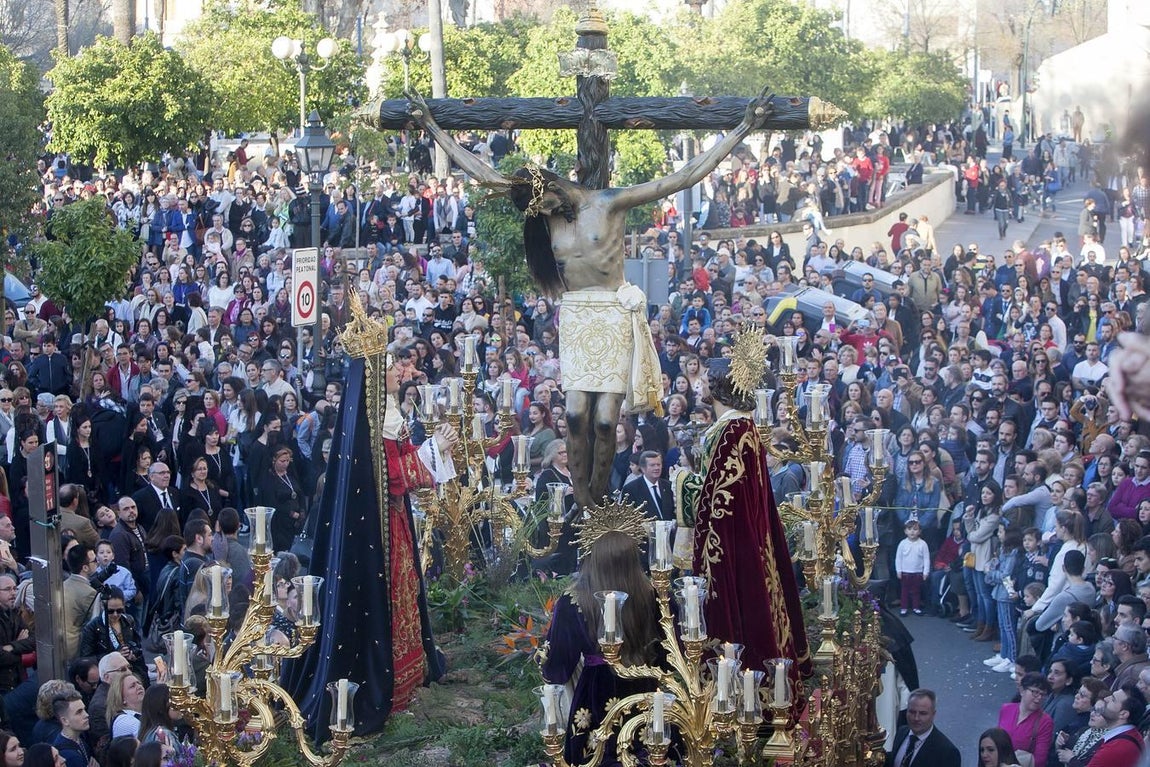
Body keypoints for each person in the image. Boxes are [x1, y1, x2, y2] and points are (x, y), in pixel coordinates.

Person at [406, 87, 782, 510]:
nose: (545, 210)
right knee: (573, 416)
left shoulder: (610, 201)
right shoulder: (544, 213)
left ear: (550, 184)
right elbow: (483, 175)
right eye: (538, 209)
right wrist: (432, 127)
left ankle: (598, 497)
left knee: (606, 421)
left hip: (612, 312)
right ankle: (584, 501)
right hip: (579, 316)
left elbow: (682, 177)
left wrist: (744, 128)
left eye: (545, 201)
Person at [287, 335, 457, 739]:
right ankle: (393, 685)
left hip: (395, 521)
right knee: (390, 594)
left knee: (406, 588)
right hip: (375, 531)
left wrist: (434, 450)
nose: (400, 370)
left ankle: (413, 671)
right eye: (391, 366)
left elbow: (400, 468)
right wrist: (435, 448)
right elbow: (391, 475)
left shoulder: (391, 412)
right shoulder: (371, 421)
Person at [672, 333, 810, 680]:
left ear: (718, 386)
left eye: (705, 378)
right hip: (740, 537)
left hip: (731, 544)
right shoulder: (735, 425)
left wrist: (680, 481)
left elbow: (719, 494)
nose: (700, 383)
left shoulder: (733, 428)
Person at [538, 530, 664, 765]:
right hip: (645, 688)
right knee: (649, 752)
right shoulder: (652, 595)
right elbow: (667, 655)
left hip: (594, 694)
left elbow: (557, 669)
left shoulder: (572, 601)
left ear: (591, 558)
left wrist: (544, 657)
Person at [885, 688, 961, 767]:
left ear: (933, 714)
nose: (916, 718)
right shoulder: (901, 732)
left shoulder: (947, 752)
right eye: (912, 712)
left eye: (923, 713)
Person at [997, 672, 1056, 767]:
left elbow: (1040, 760)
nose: (1039, 698)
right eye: (1035, 692)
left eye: (1043, 694)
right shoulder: (1006, 709)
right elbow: (996, 738)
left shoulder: (1045, 722)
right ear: (1022, 690)